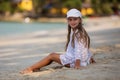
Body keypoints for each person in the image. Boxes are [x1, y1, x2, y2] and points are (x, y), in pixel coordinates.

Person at [20, 8, 95, 74]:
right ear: (67, 21)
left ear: (80, 20)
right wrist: (90, 58)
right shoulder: (81, 32)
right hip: (81, 61)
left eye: (75, 19)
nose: (72, 22)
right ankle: (36, 67)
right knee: (55, 55)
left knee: (51, 56)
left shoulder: (77, 34)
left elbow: (78, 50)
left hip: (75, 62)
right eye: (70, 19)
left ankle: (30, 68)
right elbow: (84, 47)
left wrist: (77, 65)